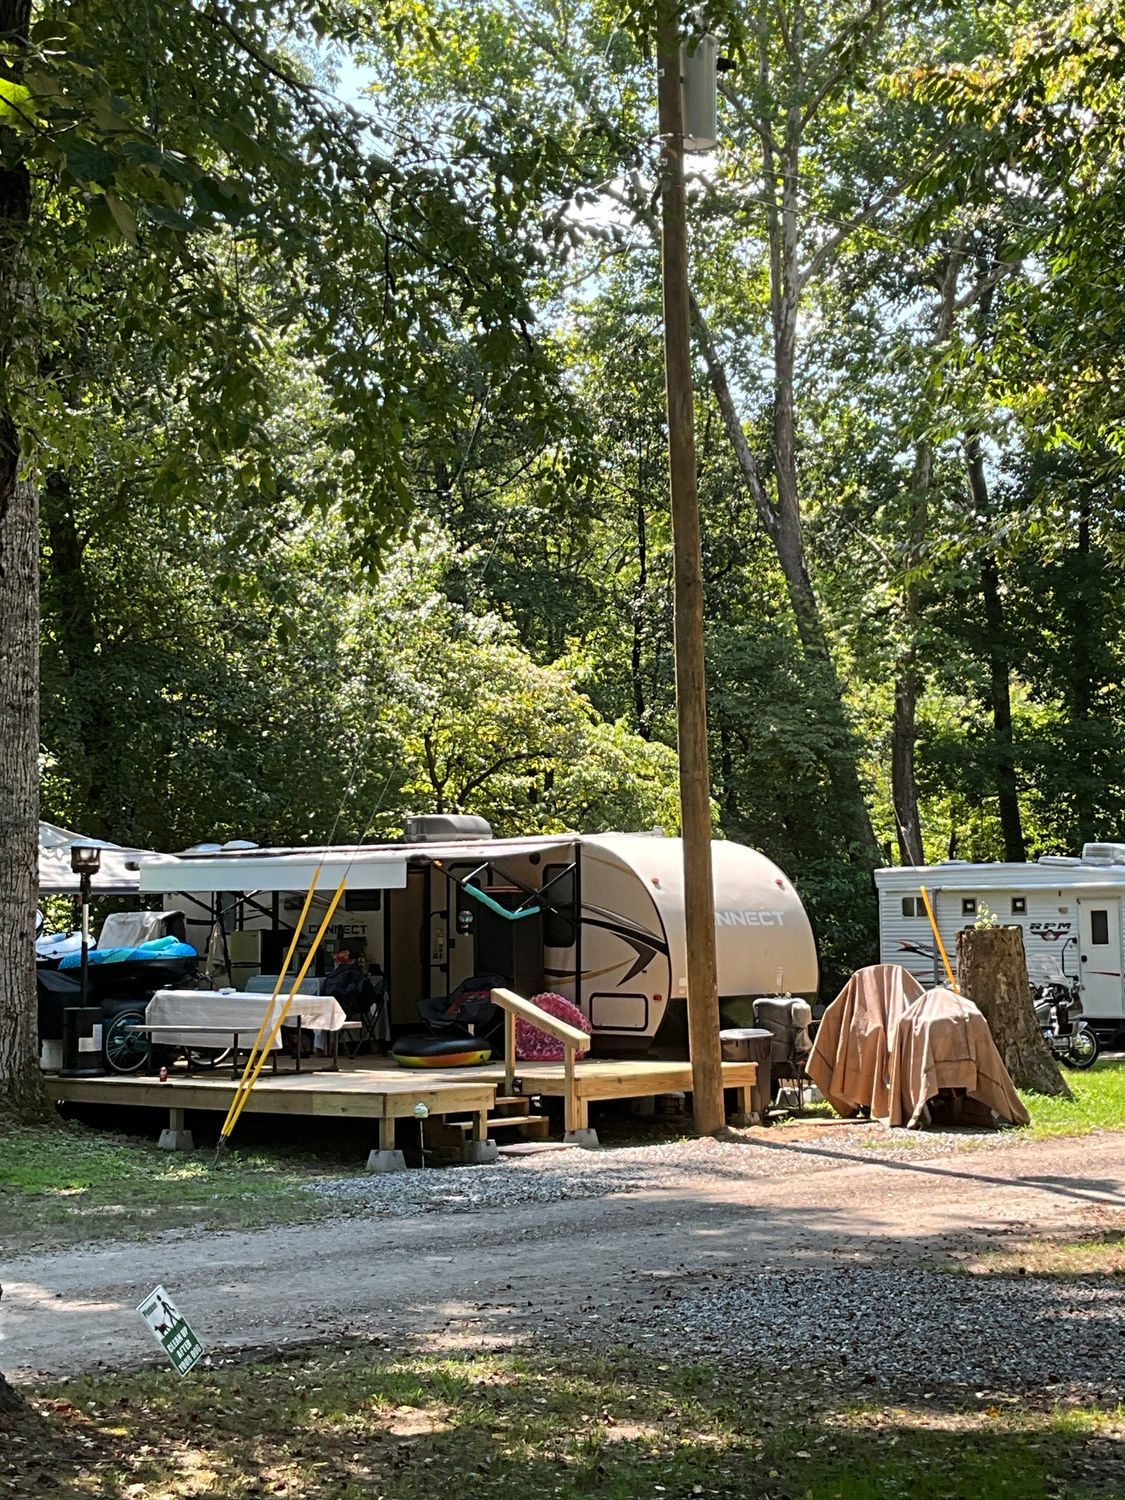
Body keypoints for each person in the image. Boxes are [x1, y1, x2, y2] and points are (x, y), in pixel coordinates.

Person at [316, 949, 384, 1054]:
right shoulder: (357, 974)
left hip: (331, 1008)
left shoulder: (334, 975)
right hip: (349, 1007)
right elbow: (364, 993)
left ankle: (324, 1047)